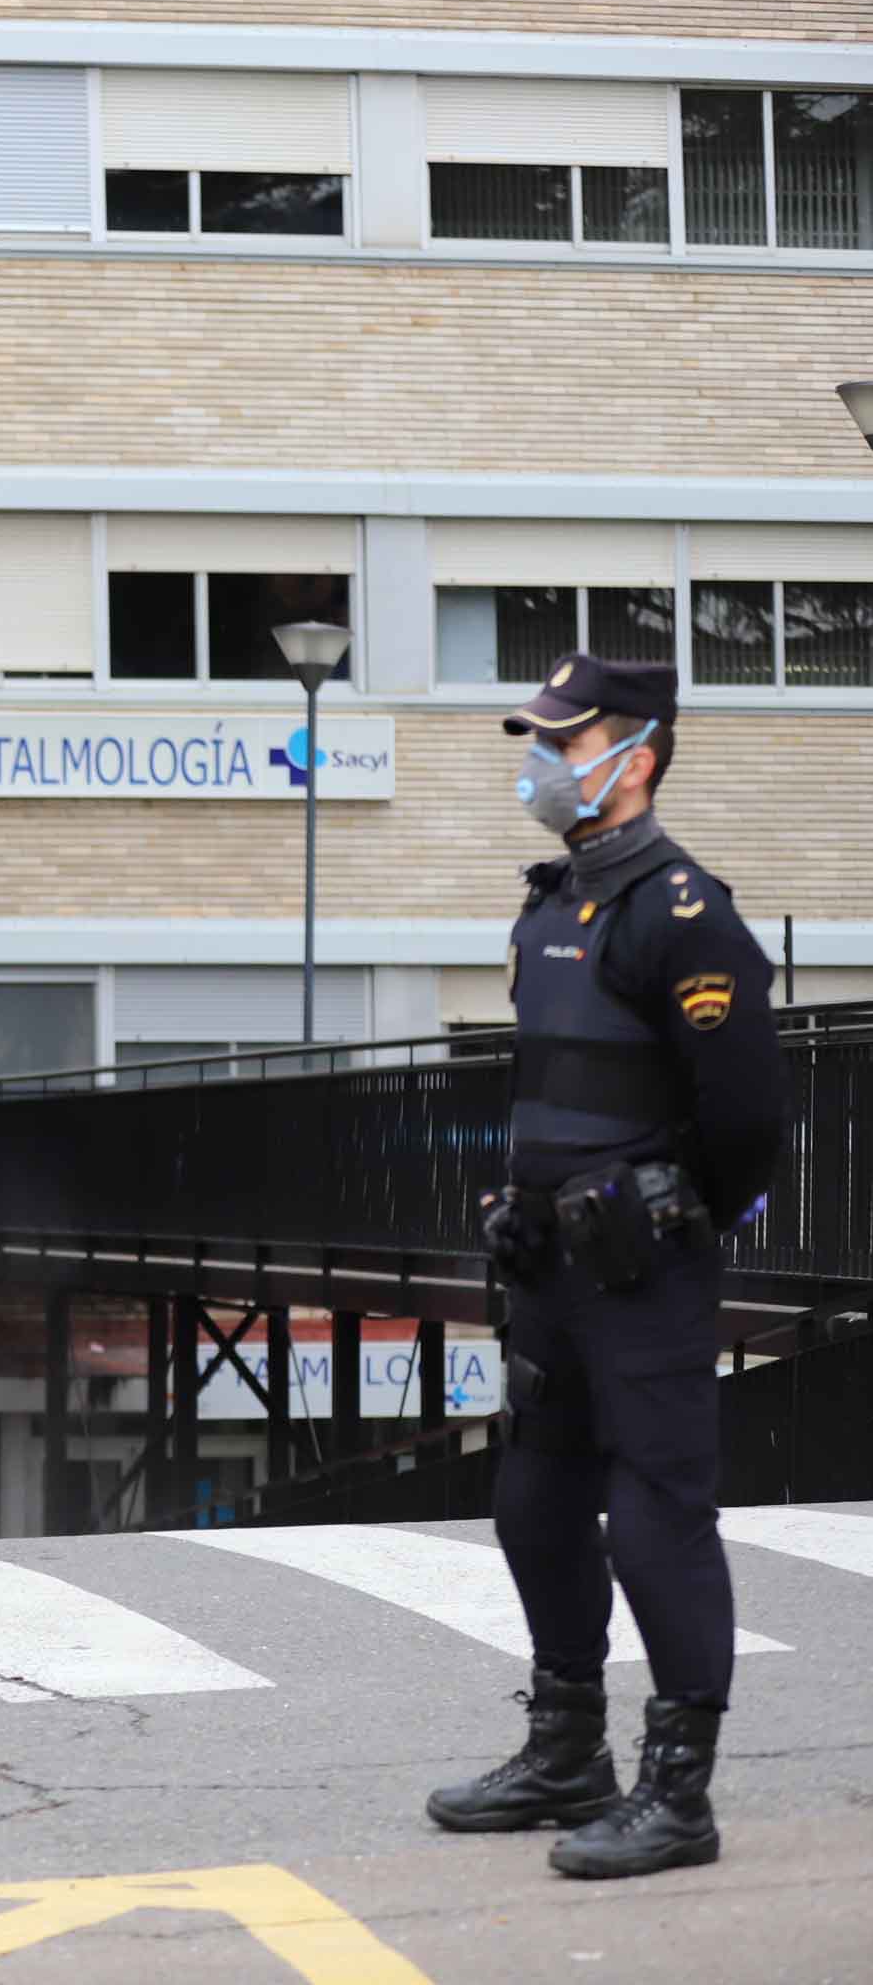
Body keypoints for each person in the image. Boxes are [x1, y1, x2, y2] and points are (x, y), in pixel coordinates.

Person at [429, 654, 786, 1879]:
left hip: (643, 1274)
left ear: (630, 757)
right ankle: (565, 1748)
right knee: (533, 1500)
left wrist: (673, 1213)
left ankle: (676, 1791)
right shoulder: (550, 901)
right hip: (548, 1267)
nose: (539, 758)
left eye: (560, 738)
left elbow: (746, 1121)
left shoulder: (685, 914)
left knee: (654, 1521)